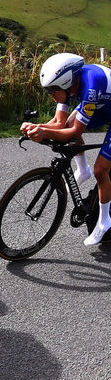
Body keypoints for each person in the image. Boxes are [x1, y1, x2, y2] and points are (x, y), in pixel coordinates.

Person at [23, 52, 111, 245]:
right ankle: (83, 170)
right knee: (69, 122)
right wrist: (36, 127)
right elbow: (58, 123)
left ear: (67, 82)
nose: (52, 97)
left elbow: (74, 131)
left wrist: (44, 133)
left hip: (102, 102)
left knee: (101, 170)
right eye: (49, 92)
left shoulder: (90, 87)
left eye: (53, 91)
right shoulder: (68, 84)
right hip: (105, 106)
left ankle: (105, 222)